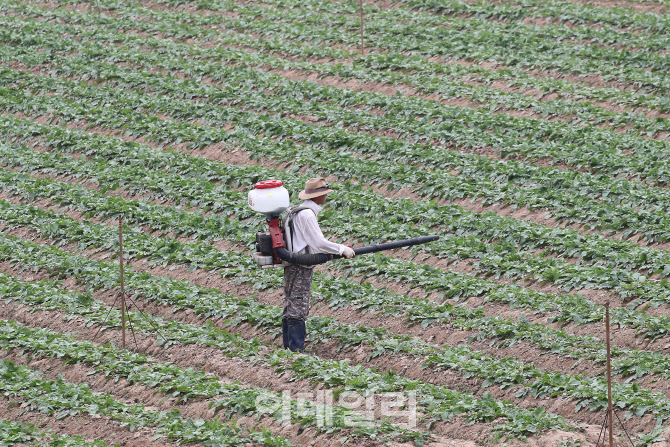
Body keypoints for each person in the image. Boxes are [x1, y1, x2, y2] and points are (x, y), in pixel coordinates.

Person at [281, 177, 355, 353]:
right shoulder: (307, 214)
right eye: (324, 194)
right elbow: (318, 243)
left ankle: (287, 347)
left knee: (291, 301)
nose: (326, 198)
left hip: (292, 262)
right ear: (318, 196)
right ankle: (296, 350)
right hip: (301, 265)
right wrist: (341, 249)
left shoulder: (295, 210)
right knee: (299, 304)